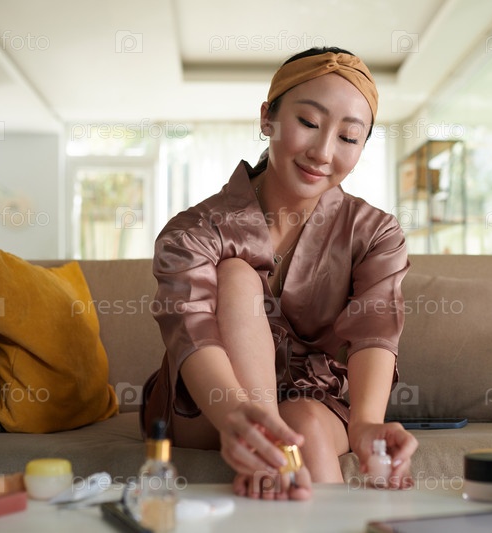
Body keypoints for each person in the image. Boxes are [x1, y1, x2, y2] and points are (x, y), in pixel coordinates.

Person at [140, 46, 417, 501]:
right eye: (308, 122)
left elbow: (375, 330)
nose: (322, 152)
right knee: (236, 272)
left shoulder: (376, 233)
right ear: (267, 117)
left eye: (349, 137)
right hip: (214, 402)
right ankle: (261, 435)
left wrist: (367, 423)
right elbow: (189, 328)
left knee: (304, 424)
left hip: (317, 398)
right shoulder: (194, 230)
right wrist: (241, 417)